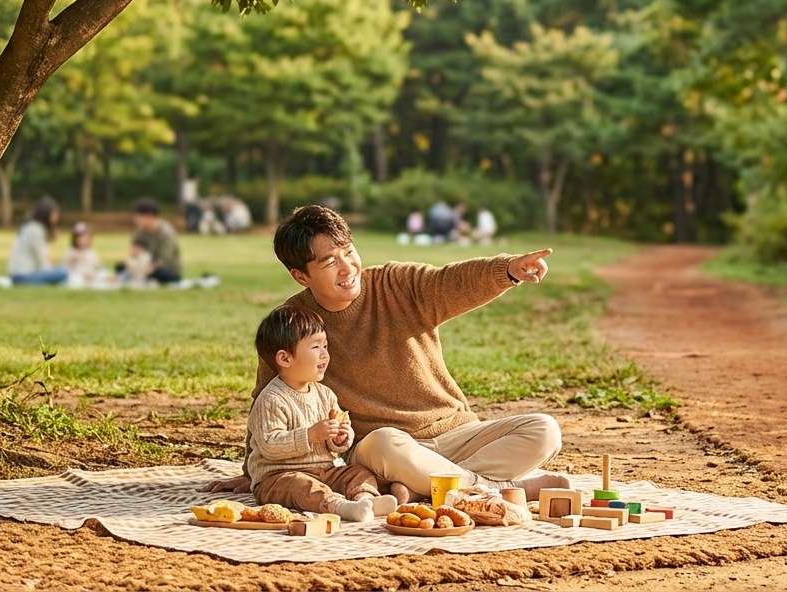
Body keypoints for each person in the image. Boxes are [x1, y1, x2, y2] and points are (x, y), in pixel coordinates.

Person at [206, 205, 567, 504]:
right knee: (383, 440)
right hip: (385, 451)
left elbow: (450, 281)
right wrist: (251, 470)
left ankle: (428, 486)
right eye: (330, 262)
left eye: (348, 251)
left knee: (544, 430)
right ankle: (491, 490)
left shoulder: (396, 284)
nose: (348, 268)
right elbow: (266, 401)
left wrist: (507, 270)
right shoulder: (293, 326)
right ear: (302, 276)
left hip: (456, 433)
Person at [246, 305, 398, 522]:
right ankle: (338, 506)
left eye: (325, 345)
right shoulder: (271, 399)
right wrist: (309, 435)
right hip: (278, 477)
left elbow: (335, 446)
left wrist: (340, 438)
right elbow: (269, 445)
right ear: (285, 359)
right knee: (303, 486)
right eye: (316, 346)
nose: (325, 354)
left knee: (357, 473)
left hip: (323, 470)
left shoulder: (325, 394)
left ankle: (366, 499)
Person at [116, 197, 183, 284]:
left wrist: (149, 268)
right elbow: (134, 252)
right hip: (144, 266)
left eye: (139, 216)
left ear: (150, 215)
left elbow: (164, 259)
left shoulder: (166, 232)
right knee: (121, 266)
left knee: (160, 272)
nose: (136, 220)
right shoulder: (139, 232)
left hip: (166, 268)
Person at [5, 197, 69, 286]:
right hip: (23, 277)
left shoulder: (31, 227)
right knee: (64, 271)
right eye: (55, 214)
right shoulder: (36, 230)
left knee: (61, 269)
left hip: (19, 274)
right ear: (47, 214)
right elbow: (43, 262)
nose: (57, 217)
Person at [63, 222, 103, 288]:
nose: (83, 241)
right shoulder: (71, 251)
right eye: (80, 238)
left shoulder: (91, 252)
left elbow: (97, 266)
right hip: (76, 276)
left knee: (102, 274)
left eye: (86, 238)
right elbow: (66, 267)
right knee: (75, 280)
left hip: (91, 276)